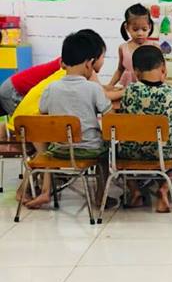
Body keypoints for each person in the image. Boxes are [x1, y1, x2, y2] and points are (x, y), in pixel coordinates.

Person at [23, 31, 111, 210]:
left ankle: (45, 192)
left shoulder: (51, 88)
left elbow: (42, 115)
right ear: (89, 63)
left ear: (63, 62)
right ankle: (100, 197)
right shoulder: (93, 89)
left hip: (59, 150)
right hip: (90, 150)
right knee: (105, 155)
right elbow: (110, 116)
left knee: (48, 151)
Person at [118, 46, 172, 213]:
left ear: (136, 72)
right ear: (163, 68)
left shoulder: (129, 91)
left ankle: (135, 191)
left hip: (130, 152)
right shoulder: (171, 92)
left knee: (116, 155)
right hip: (162, 152)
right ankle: (163, 189)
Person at [108, 3, 157, 89]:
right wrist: (110, 86)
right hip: (128, 90)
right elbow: (120, 70)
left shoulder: (155, 47)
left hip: (149, 90)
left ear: (149, 26)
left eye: (144, 29)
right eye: (135, 29)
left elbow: (161, 71)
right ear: (127, 27)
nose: (140, 33)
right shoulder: (123, 48)